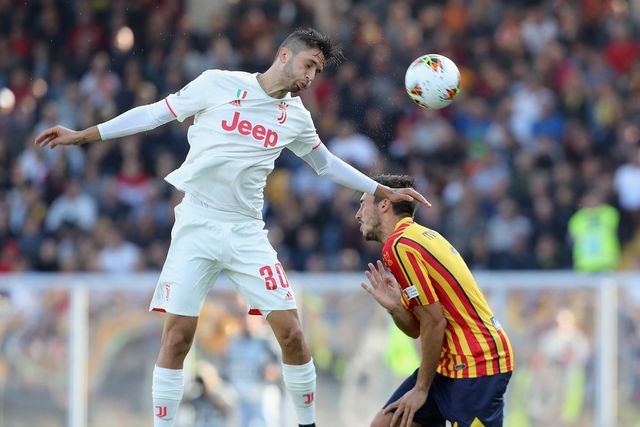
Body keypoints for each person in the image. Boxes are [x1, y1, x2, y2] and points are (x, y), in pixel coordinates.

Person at [34, 28, 429, 427]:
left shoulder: (296, 118)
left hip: (245, 231)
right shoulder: (217, 84)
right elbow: (155, 113)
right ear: (284, 55)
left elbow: (325, 164)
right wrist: (85, 134)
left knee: (291, 333)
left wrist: (378, 187)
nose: (311, 77)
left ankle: (307, 424)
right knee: (176, 339)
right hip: (197, 224)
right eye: (309, 64)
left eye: (318, 71)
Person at [355, 174, 513, 427]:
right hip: (448, 362)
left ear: (384, 204)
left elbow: (434, 324)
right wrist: (396, 307)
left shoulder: (399, 245)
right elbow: (418, 328)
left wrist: (421, 389)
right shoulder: (418, 237)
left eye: (363, 204)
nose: (358, 214)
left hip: (476, 363)